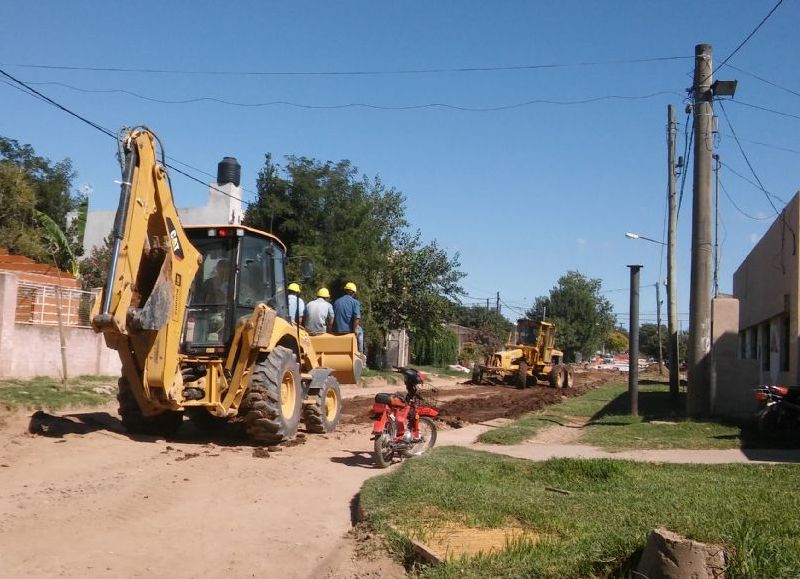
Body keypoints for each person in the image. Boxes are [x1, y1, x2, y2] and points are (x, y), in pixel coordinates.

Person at [333, 281, 363, 352]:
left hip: (337, 330)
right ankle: (360, 353)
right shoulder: (355, 302)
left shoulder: (336, 301)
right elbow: (356, 318)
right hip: (348, 330)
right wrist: (354, 330)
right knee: (360, 331)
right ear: (353, 292)